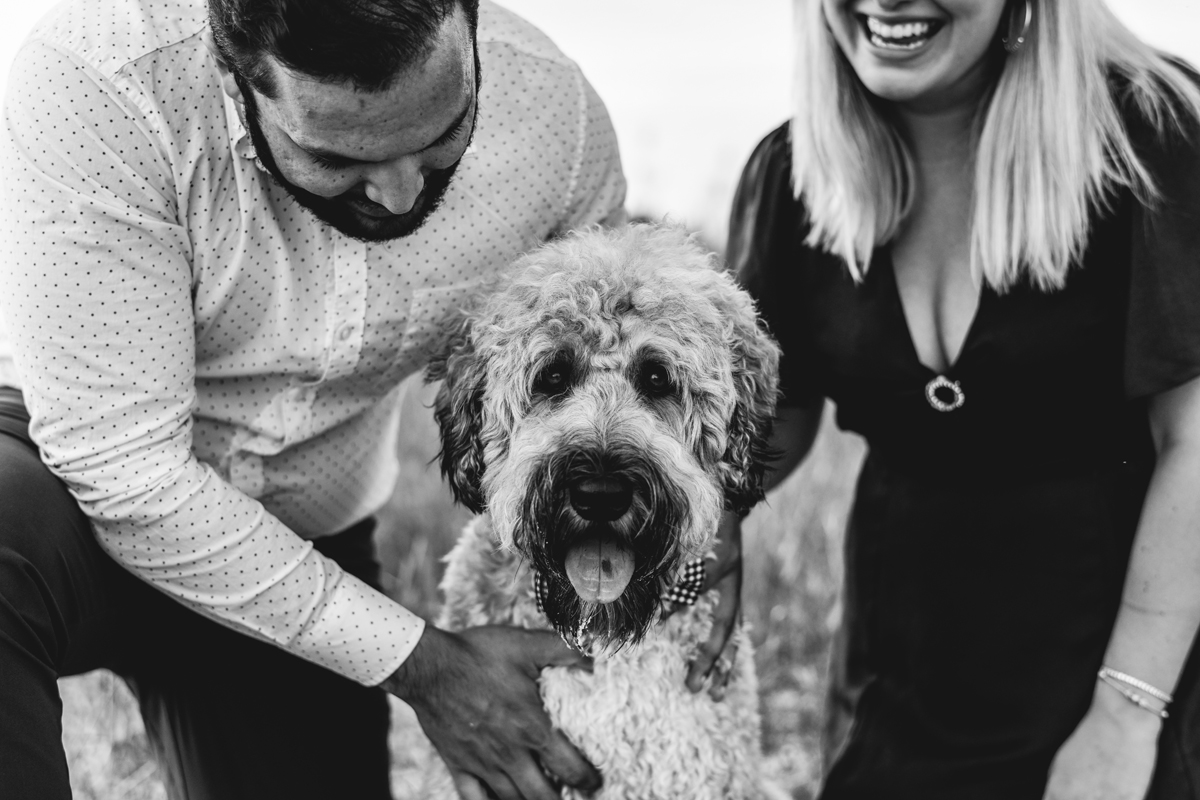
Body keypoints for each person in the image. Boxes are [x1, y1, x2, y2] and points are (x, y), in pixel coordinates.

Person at [0, 0, 651, 797]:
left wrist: (705, 532)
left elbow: (628, 345)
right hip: (57, 488)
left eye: (443, 134)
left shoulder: (559, 117)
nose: (402, 194)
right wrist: (430, 669)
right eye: (338, 157)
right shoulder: (98, 79)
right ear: (240, 73)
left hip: (306, 540)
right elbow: (124, 470)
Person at [727, 0, 1200, 798]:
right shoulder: (791, 173)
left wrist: (1124, 721)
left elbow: (1196, 438)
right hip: (897, 693)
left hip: (1134, 684)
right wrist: (694, 513)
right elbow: (774, 418)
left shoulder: (1151, 130)